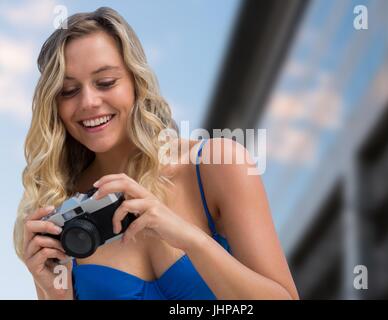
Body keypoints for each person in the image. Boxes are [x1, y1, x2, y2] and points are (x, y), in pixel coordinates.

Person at [13, 7, 299, 300]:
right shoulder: (59, 217)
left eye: (106, 82)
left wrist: (190, 239)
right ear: (54, 105)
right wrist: (55, 294)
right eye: (69, 91)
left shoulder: (216, 164)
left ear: (136, 82)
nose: (89, 102)